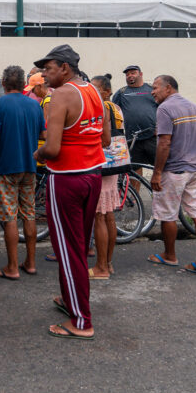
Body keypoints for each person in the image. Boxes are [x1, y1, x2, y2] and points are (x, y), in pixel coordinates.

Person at [33, 44, 109, 341]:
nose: (44, 75)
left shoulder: (62, 94)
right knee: (76, 247)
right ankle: (70, 300)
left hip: (66, 178)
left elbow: (52, 149)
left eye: (48, 69)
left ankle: (81, 320)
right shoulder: (94, 92)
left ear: (64, 68)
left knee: (68, 250)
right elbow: (105, 138)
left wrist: (37, 154)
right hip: (93, 175)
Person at [147, 75, 196, 277]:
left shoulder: (165, 108)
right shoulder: (194, 107)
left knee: (168, 214)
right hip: (194, 169)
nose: (152, 91)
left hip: (174, 171)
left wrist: (157, 173)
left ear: (168, 88)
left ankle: (170, 255)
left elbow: (164, 142)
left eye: (156, 87)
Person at [0, 65, 46, 280]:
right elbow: (43, 134)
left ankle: (12, 267)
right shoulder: (34, 105)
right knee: (29, 213)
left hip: (7, 166)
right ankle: (30, 263)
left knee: (10, 216)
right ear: (24, 84)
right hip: (30, 166)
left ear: (3, 83)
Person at [90, 73, 123, 279]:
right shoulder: (116, 107)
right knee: (108, 214)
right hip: (114, 164)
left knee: (99, 216)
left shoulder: (101, 107)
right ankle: (108, 263)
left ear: (107, 91)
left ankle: (101, 267)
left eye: (96, 88)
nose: (91, 91)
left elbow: (105, 139)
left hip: (101, 164)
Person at [112, 65, 158, 167]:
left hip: (152, 137)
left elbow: (162, 108)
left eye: (133, 73)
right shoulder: (121, 93)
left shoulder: (151, 89)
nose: (129, 76)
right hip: (132, 139)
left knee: (160, 167)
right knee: (135, 169)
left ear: (141, 74)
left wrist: (161, 127)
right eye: (127, 74)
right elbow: (113, 113)